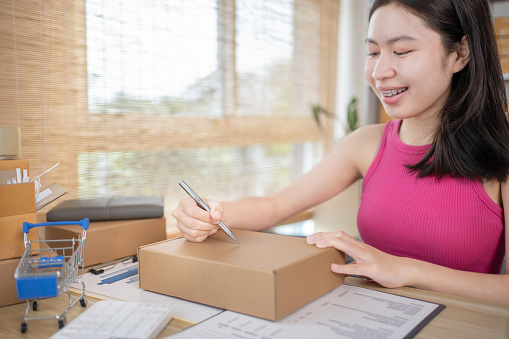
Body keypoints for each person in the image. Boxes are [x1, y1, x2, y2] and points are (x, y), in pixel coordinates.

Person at [172, 0, 509, 305]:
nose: (379, 72)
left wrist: (408, 270)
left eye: (402, 51)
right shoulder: (366, 143)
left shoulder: (501, 154)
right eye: (373, 52)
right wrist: (210, 212)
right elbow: (276, 205)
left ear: (460, 54)